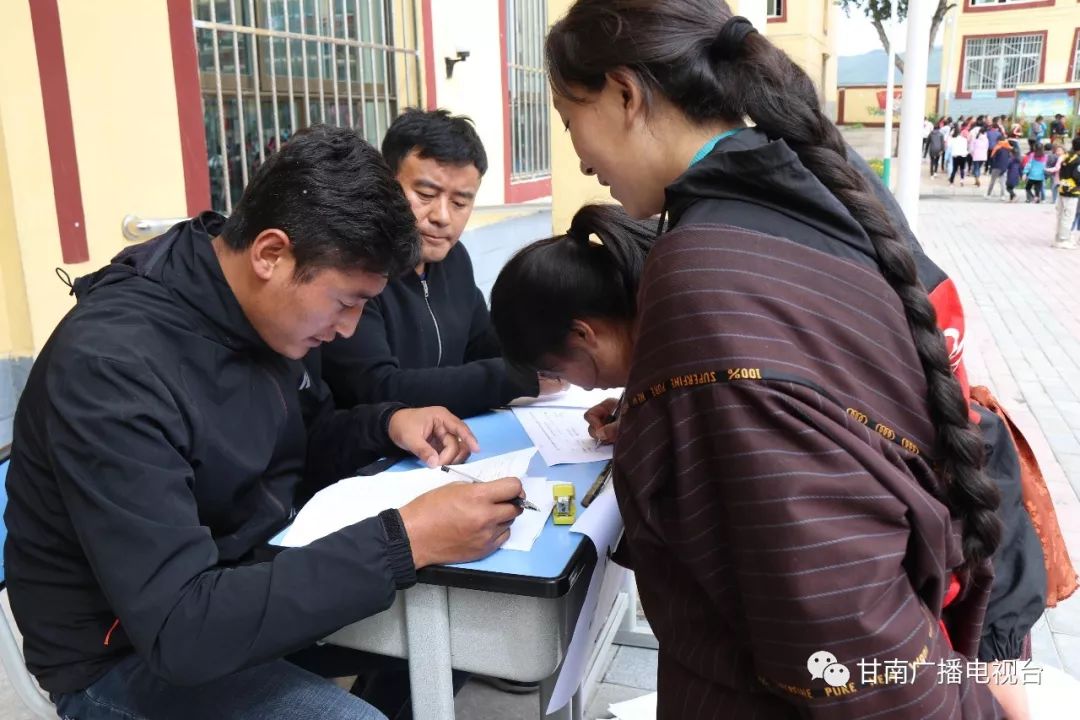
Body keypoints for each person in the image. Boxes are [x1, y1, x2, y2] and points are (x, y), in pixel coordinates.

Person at [507, 3, 1010, 716]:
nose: (582, 159)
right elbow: (811, 407)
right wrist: (672, 418)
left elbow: (840, 626)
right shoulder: (804, 185)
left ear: (625, 94)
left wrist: (973, 708)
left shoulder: (700, 270)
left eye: (569, 121)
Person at [3, 125, 528, 720]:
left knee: (460, 634)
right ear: (271, 254)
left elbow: (300, 439)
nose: (350, 328)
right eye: (347, 302)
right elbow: (183, 629)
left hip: (246, 576)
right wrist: (403, 539)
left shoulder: (259, 310)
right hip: (127, 654)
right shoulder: (113, 369)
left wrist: (386, 423)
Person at [319, 109, 558, 419]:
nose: (442, 217)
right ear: (386, 183)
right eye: (426, 194)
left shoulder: (455, 260)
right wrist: (509, 378)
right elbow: (377, 387)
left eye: (460, 202)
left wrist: (544, 351)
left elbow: (481, 345)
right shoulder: (356, 271)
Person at [1055, 138, 1080, 250]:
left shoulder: (1066, 156)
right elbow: (1077, 176)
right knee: (1068, 216)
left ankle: (1058, 237)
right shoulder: (1077, 160)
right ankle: (1064, 239)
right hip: (1072, 190)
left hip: (1062, 189)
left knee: (1061, 215)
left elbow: (1061, 172)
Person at [987, 134, 1013, 199]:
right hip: (1004, 167)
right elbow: (1009, 157)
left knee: (992, 181)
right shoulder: (1008, 147)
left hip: (996, 167)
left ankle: (988, 194)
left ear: (998, 140)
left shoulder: (997, 147)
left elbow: (992, 157)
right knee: (1002, 182)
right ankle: (1002, 196)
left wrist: (990, 166)